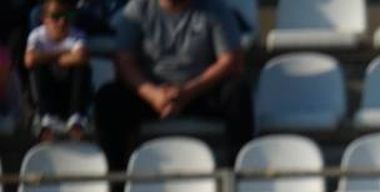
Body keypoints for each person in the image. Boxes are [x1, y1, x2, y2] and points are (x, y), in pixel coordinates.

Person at [94, 0, 252, 174]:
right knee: (108, 98)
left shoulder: (215, 8)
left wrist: (187, 92)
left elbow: (230, 60)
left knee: (238, 93)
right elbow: (124, 61)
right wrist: (153, 95)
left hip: (199, 92)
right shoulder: (137, 9)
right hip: (152, 95)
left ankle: (236, 177)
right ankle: (116, 183)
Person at [25, 0, 89, 139]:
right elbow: (30, 60)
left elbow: (81, 58)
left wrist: (46, 57)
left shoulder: (77, 35)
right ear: (44, 19)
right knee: (38, 69)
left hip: (69, 93)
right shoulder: (36, 36)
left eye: (67, 16)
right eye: (56, 16)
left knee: (82, 69)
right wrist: (63, 55)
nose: (62, 21)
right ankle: (46, 118)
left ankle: (76, 117)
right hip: (47, 94)